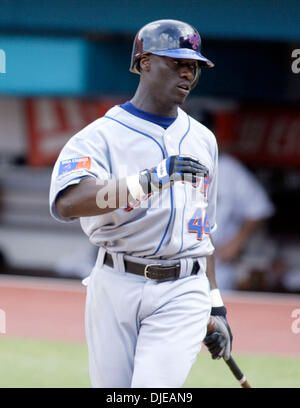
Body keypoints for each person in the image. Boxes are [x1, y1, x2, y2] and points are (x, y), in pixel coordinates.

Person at [49, 19, 232, 388]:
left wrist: (215, 307)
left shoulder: (203, 139)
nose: (187, 72)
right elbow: (69, 202)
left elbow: (203, 231)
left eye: (193, 66)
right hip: (114, 282)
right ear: (145, 61)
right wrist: (149, 180)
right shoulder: (100, 136)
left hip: (183, 288)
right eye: (177, 62)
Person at [214, 151, 275, 290]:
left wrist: (237, 242)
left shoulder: (226, 168)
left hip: (218, 260)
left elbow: (259, 207)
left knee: (216, 307)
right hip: (178, 259)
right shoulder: (172, 162)